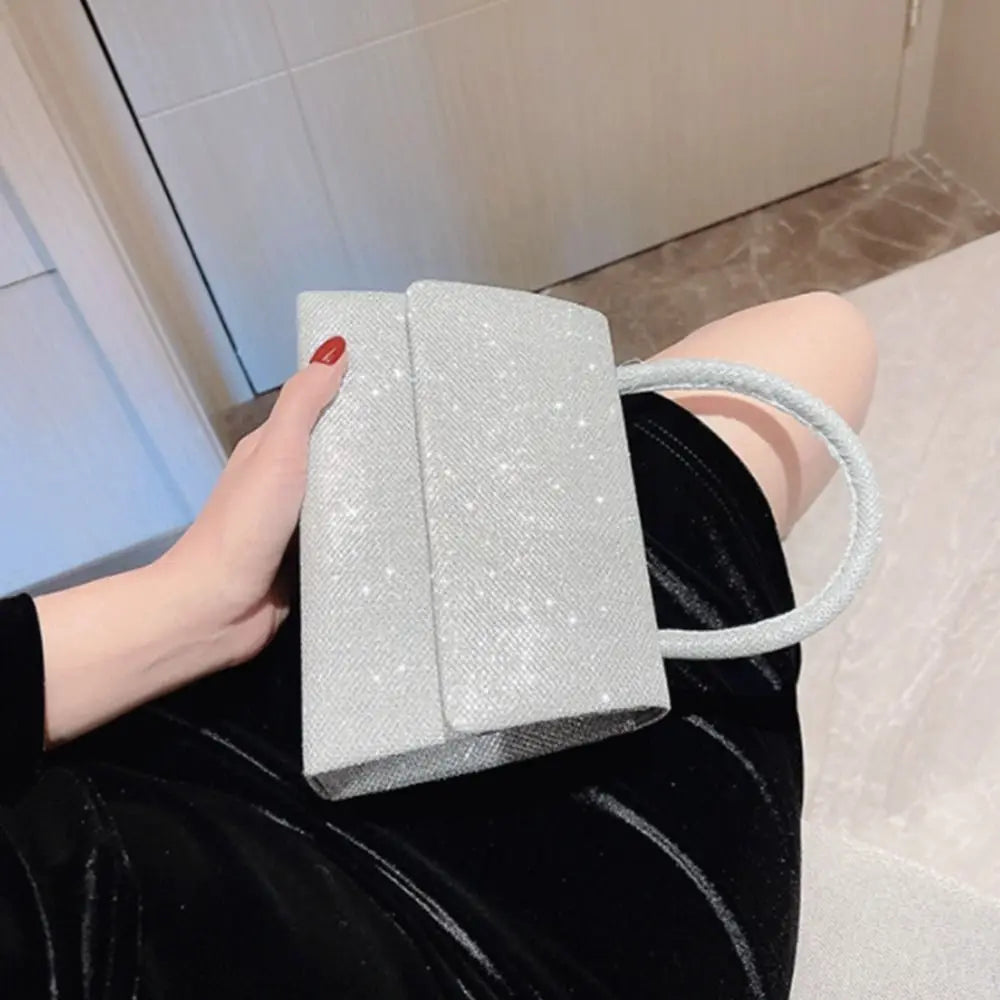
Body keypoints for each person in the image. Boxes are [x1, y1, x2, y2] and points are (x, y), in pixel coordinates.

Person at [0, 292, 876, 998]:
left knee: (814, 339)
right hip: (467, 950)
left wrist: (186, 605)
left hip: (120, 770)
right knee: (820, 342)